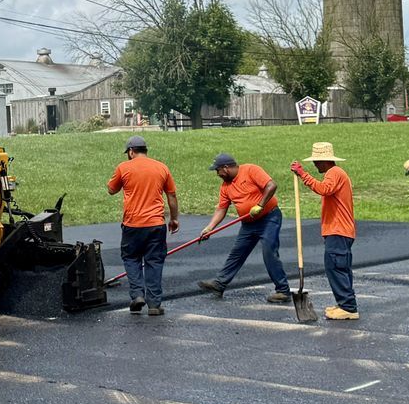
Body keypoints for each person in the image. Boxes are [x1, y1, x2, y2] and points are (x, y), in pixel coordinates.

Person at [195, 153, 292, 304]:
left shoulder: (251, 170)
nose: (217, 174)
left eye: (218, 170)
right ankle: (220, 284)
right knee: (237, 252)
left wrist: (260, 205)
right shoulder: (226, 187)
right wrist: (209, 228)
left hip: (269, 218)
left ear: (225, 168)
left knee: (269, 251)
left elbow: (271, 185)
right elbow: (221, 209)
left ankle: (283, 291)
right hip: (248, 224)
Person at [107, 134, 179, 316]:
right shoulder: (161, 167)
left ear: (131, 151)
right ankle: (154, 304)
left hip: (132, 224)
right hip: (156, 224)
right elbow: (172, 195)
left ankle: (137, 294)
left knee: (131, 258)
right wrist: (174, 218)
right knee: (154, 261)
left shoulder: (124, 168)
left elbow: (111, 190)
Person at [291, 141, 357, 320]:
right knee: (339, 267)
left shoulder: (334, 173)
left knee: (336, 267)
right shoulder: (335, 173)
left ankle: (349, 307)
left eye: (316, 161)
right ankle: (345, 304)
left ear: (325, 161)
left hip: (338, 229)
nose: (314, 164)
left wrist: (303, 174)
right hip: (338, 230)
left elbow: (324, 189)